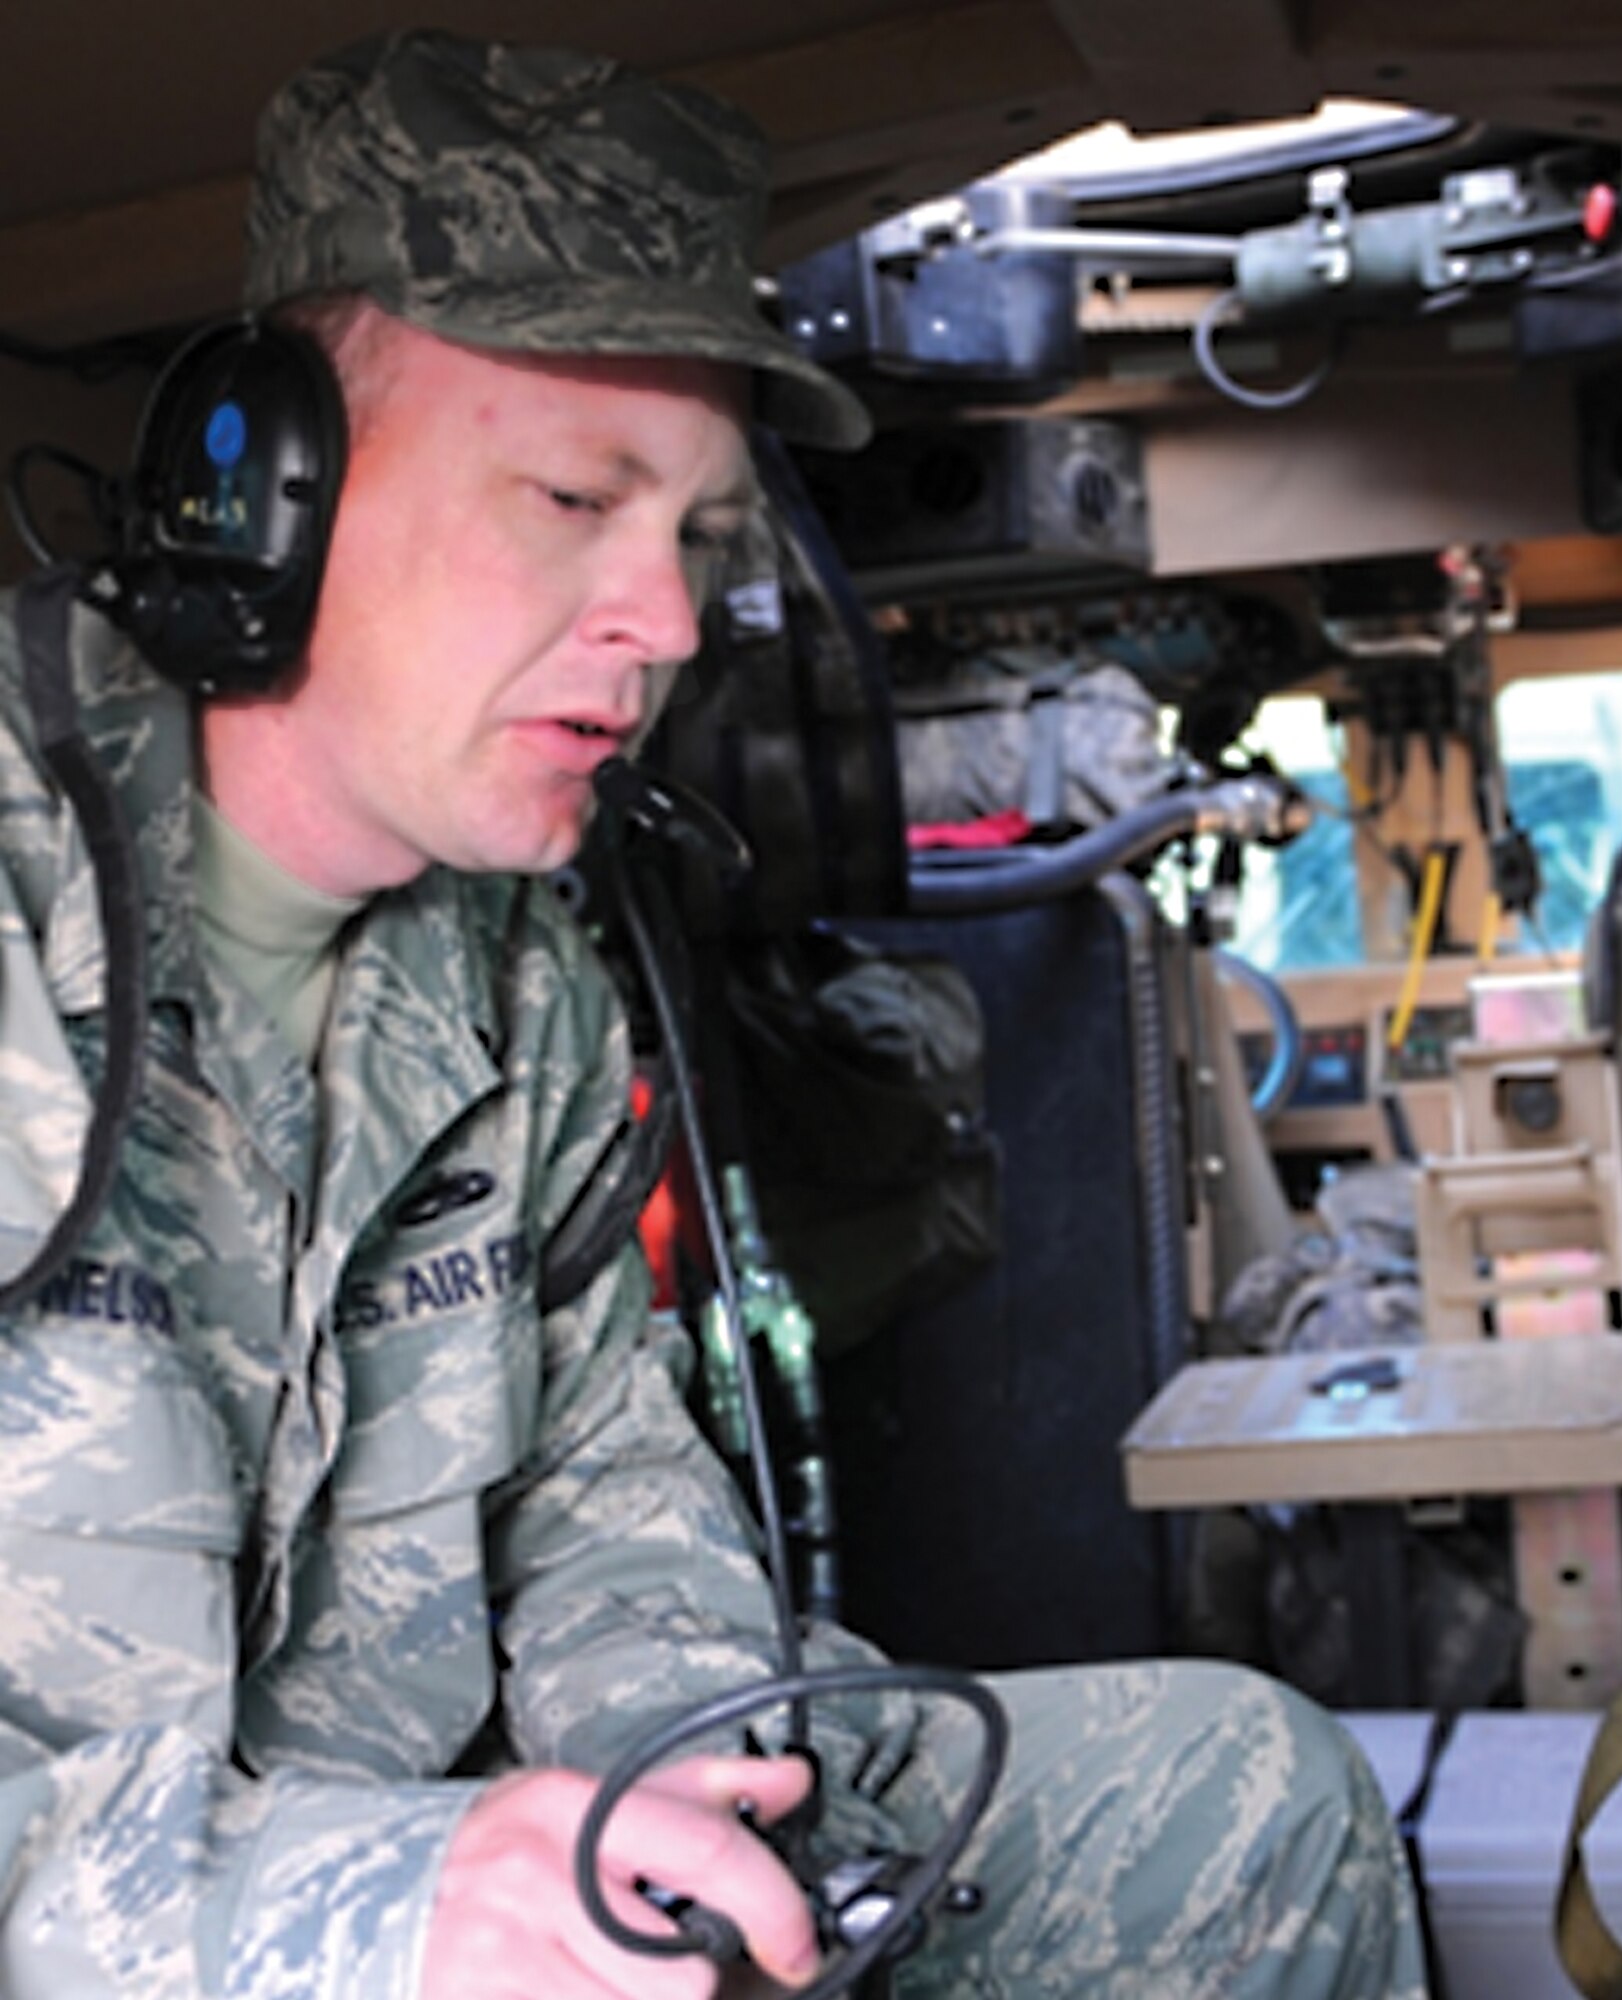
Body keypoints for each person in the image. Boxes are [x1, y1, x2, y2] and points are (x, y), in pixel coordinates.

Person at [0, 28, 1431, 1999]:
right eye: (577, 498)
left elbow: (613, 1493)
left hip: (466, 1852)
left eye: (693, 536)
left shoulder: (522, 980)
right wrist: (363, 1909)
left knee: (1247, 1794)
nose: (666, 623)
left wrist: (676, 1809)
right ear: (262, 495)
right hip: (157, 1930)